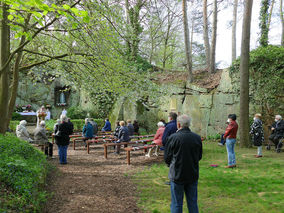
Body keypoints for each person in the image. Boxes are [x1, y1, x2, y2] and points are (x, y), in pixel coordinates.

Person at [165, 114, 202, 213]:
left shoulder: (173, 138)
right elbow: (199, 156)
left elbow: (167, 158)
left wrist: (171, 164)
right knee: (192, 202)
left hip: (177, 174)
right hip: (192, 173)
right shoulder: (197, 138)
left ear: (178, 124)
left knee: (177, 203)